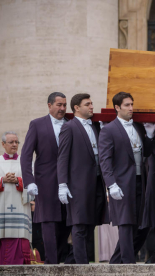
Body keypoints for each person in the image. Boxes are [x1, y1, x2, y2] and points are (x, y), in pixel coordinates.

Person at [99, 92, 155, 264]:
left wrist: (150, 136)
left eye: (132, 104)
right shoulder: (109, 130)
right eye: (127, 105)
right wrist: (111, 184)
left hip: (140, 181)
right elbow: (105, 160)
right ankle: (129, 265)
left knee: (142, 224)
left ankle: (116, 262)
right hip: (121, 183)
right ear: (117, 107)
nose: (131, 108)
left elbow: (145, 152)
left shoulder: (138, 127)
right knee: (126, 224)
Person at [20, 92, 73, 264]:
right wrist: (29, 182)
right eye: (59, 105)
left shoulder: (71, 124)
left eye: (65, 105)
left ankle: (61, 257)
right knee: (48, 221)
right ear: (49, 105)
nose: (63, 108)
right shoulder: (37, 124)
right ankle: (51, 264)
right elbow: (26, 155)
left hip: (70, 181)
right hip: (45, 181)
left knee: (68, 221)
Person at [57, 93, 109, 264]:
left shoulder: (95, 126)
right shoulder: (69, 127)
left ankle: (76, 260)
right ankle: (81, 266)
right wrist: (62, 184)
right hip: (78, 183)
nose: (92, 106)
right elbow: (63, 157)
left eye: (92, 103)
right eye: (88, 104)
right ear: (77, 108)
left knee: (91, 223)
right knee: (79, 224)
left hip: (97, 181)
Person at [0, 131, 32, 264]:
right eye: (11, 142)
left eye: (16, 142)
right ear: (3, 144)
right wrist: (2, 180)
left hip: (20, 210)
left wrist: (18, 181)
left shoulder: (25, 162)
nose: (14, 145)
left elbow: (33, 185)